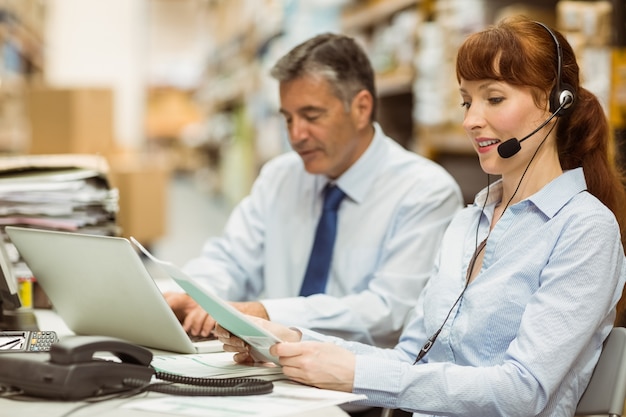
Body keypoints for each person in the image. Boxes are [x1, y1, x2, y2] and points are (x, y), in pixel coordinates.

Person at [215, 17, 626, 417]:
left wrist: (354, 373)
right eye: (467, 101)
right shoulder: (469, 222)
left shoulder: (584, 229)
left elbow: (522, 392)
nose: (470, 120)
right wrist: (294, 342)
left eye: (494, 98)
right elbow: (409, 359)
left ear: (556, 103)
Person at [165, 33, 463, 348]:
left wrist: (264, 312)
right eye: (288, 118)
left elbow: (390, 311)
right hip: (278, 370)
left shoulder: (426, 192)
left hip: (364, 386)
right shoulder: (280, 177)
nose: (296, 135)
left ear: (361, 108)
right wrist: (197, 295)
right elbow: (231, 258)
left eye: (311, 116)